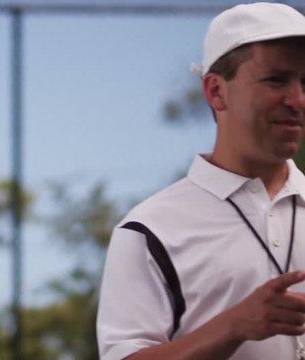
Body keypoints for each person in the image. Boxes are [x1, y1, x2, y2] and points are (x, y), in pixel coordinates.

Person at [96, 2, 305, 359]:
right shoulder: (150, 228)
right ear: (215, 91)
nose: (298, 99)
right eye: (276, 80)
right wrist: (235, 325)